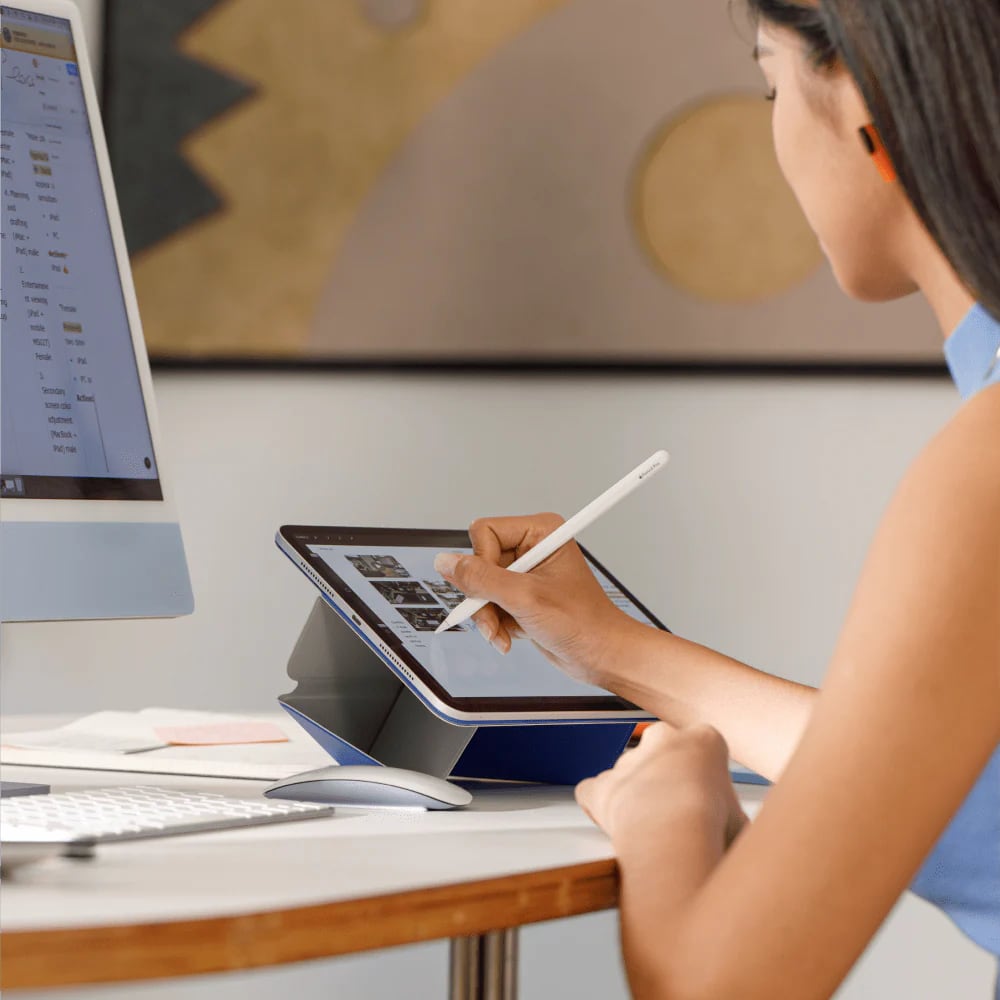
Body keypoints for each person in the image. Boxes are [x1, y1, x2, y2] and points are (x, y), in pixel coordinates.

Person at [432, 1, 1000, 996]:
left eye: (770, 82)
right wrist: (608, 645)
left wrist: (663, 817)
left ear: (864, 98)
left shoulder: (983, 470)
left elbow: (720, 986)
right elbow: (932, 767)